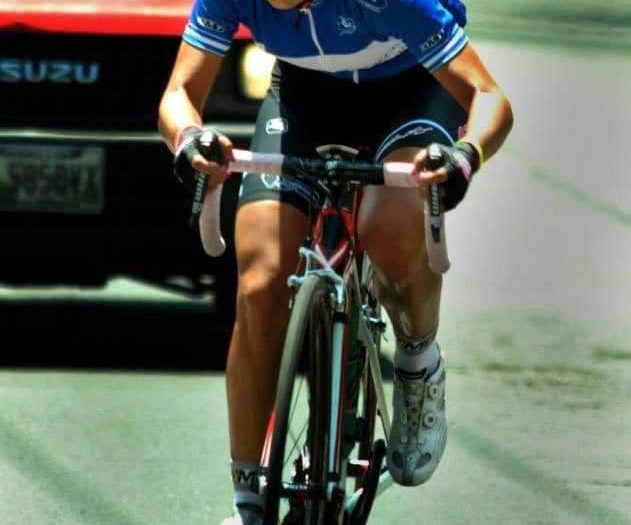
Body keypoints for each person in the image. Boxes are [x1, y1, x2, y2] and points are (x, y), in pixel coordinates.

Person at [159, 0, 513, 521]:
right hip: (304, 99)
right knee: (261, 283)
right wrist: (189, 137)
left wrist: (467, 156)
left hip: (410, 93)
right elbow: (179, 94)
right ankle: (249, 500)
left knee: (389, 227)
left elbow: (489, 96)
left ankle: (418, 361)